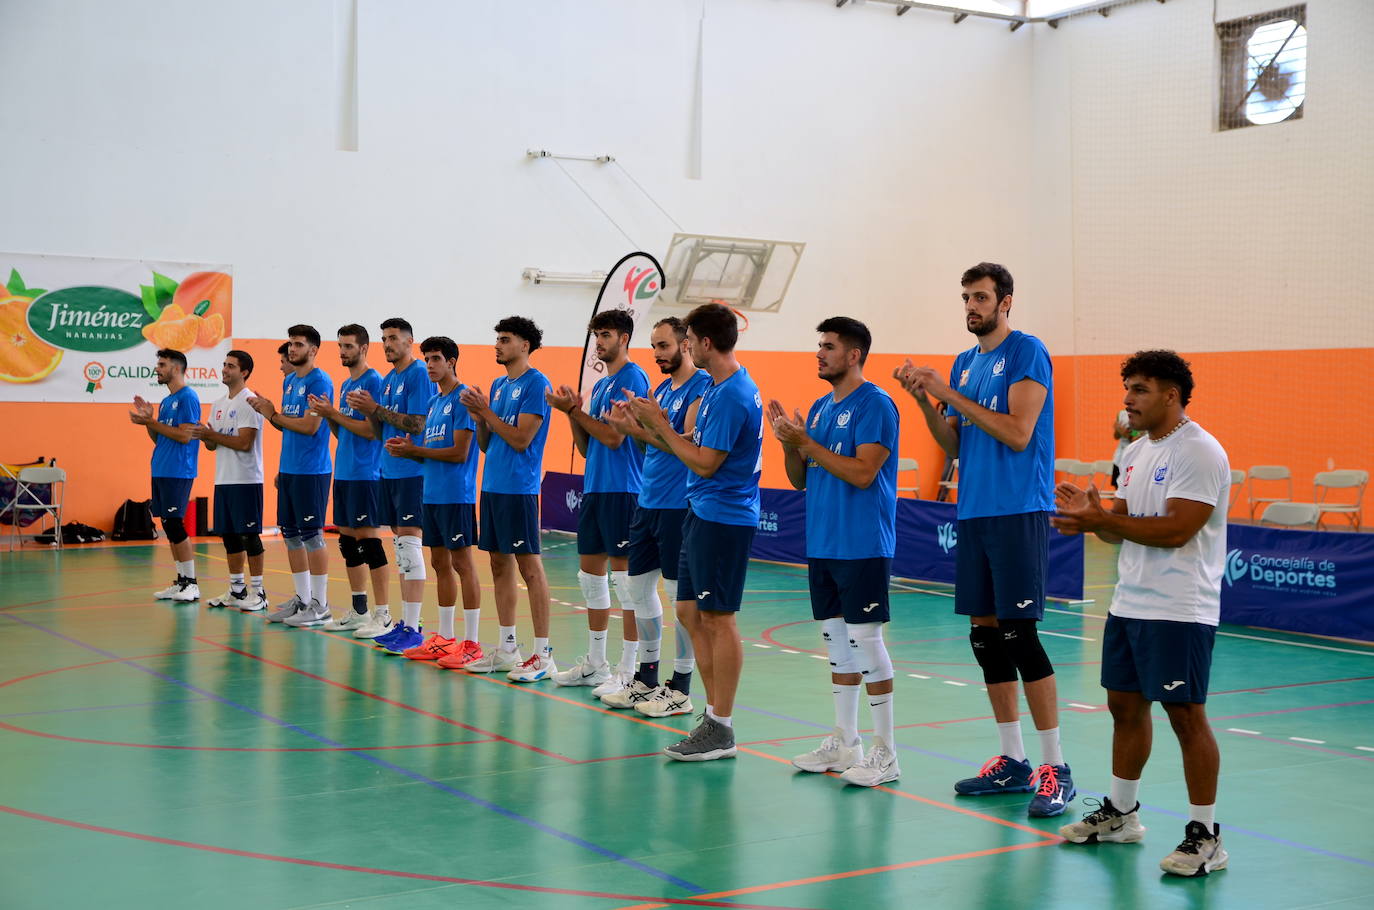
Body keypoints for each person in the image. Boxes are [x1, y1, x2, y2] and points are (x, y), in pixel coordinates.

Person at [894, 262, 1074, 816]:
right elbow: (953, 443)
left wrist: (948, 389)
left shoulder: (1026, 352)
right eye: (966, 297)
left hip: (1018, 510)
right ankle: (1013, 760)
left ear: (1006, 302)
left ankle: (1056, 768)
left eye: (981, 297)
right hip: (973, 512)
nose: (971, 306)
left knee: (1021, 637)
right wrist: (927, 399)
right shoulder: (964, 364)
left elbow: (1019, 433)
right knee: (985, 639)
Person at [1052, 350, 1231, 877]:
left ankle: (1206, 837)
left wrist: (1104, 521)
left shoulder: (1199, 451)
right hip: (1130, 602)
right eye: (1127, 388)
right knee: (1124, 709)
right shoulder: (1134, 452)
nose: (1128, 399)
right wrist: (1093, 519)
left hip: (1180, 607)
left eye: (1140, 390)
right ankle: (1121, 814)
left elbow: (1177, 530)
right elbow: (1121, 526)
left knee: (1185, 716)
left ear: (1171, 395)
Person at [626, 302, 762, 761]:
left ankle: (720, 724)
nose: (684, 350)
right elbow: (691, 450)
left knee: (719, 618)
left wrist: (660, 425)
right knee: (687, 611)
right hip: (700, 511)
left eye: (686, 342)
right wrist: (654, 428)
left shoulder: (731, 395)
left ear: (704, 343)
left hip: (725, 517)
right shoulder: (720, 390)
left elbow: (706, 461)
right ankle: (711, 713)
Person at [770, 317, 901, 787]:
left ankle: (886, 753)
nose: (819, 354)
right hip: (823, 543)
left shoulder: (876, 405)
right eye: (818, 346)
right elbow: (800, 477)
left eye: (828, 347)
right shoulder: (823, 408)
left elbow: (865, 473)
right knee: (836, 646)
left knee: (866, 644)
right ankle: (846, 741)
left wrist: (806, 442)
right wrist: (791, 444)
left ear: (854, 354)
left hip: (862, 543)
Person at [603, 317, 710, 716]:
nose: (658, 354)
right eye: (654, 346)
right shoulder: (660, 389)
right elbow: (654, 441)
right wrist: (628, 426)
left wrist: (645, 424)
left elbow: (682, 443)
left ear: (686, 345)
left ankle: (680, 686)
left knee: (679, 597)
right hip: (647, 503)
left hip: (677, 506)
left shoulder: (701, 389)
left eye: (664, 345)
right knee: (636, 590)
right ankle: (646, 679)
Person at [547, 309, 650, 694]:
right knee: (590, 578)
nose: (599, 342)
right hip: (596, 489)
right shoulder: (602, 385)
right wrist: (573, 413)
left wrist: (574, 410)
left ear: (624, 338)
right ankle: (596, 663)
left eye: (605, 335)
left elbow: (614, 438)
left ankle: (628, 669)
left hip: (624, 490)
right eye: (595, 335)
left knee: (626, 583)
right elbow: (589, 447)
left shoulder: (632, 377)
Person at [458, 316, 557, 682]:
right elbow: (487, 445)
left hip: (519, 489)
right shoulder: (498, 385)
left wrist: (486, 412)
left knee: (529, 568)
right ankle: (507, 647)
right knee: (500, 566)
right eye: (497, 338)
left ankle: (543, 654)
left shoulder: (536, 384)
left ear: (525, 346)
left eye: (505, 339)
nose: (497, 345)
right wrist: (480, 418)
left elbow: (520, 439)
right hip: (493, 487)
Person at [382, 336, 483, 665]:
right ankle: (444, 637)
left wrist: (414, 451)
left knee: (463, 565)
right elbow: (428, 453)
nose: (430, 365)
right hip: (433, 494)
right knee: (440, 565)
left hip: (457, 495)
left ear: (452, 361)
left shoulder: (464, 399)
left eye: (436, 358)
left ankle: (472, 642)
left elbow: (458, 452)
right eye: (426, 359)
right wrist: (405, 449)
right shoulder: (434, 403)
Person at [347, 318, 436, 654]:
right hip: (390, 471)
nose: (387, 344)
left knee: (411, 547)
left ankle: (414, 627)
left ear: (410, 341)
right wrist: (368, 411)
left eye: (394, 338)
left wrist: (377, 409)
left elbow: (417, 423)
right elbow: (376, 429)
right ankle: (406, 622)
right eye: (384, 339)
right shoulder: (387, 380)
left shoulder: (416, 375)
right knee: (401, 549)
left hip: (413, 471)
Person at [249, 325, 334, 625]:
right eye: (290, 344)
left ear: (313, 350)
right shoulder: (289, 382)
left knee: (312, 537)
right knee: (291, 535)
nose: (292, 349)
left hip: (312, 471)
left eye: (298, 344)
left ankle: (321, 605)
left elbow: (310, 427)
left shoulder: (319, 380)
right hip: (290, 470)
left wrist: (272, 414)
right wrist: (267, 412)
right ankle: (303, 600)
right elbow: (286, 424)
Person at [308, 324, 390, 634]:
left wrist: (334, 413)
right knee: (346, 540)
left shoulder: (374, 382)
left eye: (349, 346)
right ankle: (359, 610)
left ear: (364, 348)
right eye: (340, 346)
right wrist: (328, 414)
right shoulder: (345, 385)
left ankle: (382, 614)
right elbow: (342, 432)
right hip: (344, 470)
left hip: (366, 472)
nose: (343, 351)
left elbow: (371, 431)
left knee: (369, 540)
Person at [192, 349, 267, 611]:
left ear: (244, 372)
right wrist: (203, 435)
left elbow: (245, 443)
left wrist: (214, 436)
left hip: (246, 480)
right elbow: (213, 446)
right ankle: (237, 590)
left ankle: (259, 592)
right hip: (223, 480)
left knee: (249, 536)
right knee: (230, 537)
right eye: (224, 364)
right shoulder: (218, 404)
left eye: (231, 366)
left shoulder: (250, 402)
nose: (224, 369)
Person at [129, 348, 202, 602]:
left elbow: (184, 435)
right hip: (161, 468)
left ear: (176, 368)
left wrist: (153, 423)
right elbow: (160, 437)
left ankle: (192, 584)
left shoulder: (187, 397)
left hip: (178, 470)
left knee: (174, 523)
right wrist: (149, 421)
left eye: (162, 364)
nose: (157, 369)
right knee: (168, 525)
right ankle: (181, 581)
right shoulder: (166, 401)